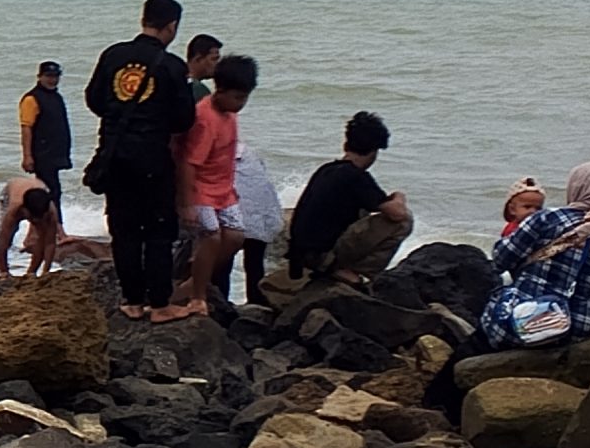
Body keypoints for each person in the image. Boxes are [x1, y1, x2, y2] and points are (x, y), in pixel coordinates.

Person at [84, 0, 196, 319]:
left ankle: (132, 301)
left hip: (114, 156)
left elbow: (94, 100)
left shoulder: (113, 55)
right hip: (152, 159)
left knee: (124, 231)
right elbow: (184, 120)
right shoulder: (173, 66)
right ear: (172, 26)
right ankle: (160, 305)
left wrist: (121, 115)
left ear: (143, 19)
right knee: (159, 232)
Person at [481, 162, 590, 348]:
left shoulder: (547, 218)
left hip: (525, 322)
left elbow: (501, 258)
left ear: (575, 187)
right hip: (578, 329)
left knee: (491, 311)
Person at [279, 111, 412, 292]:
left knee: (364, 211)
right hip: (322, 257)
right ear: (374, 151)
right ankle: (359, 273)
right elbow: (398, 214)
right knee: (404, 221)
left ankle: (336, 267)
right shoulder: (356, 176)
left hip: (302, 254)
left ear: (346, 144)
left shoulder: (326, 170)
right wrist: (399, 195)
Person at [174, 55, 258, 319]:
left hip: (223, 189)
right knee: (211, 235)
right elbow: (189, 163)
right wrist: (186, 203)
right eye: (237, 97)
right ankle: (197, 296)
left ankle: (195, 277)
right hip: (200, 190)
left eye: (245, 98)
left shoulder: (229, 115)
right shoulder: (205, 118)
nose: (241, 104)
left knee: (235, 236)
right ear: (219, 90)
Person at [221, 141, 284, 307]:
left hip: (231, 219)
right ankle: (256, 303)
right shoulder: (249, 153)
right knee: (254, 263)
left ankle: (222, 303)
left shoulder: (214, 155)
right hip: (260, 216)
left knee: (223, 263)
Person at [18, 60, 72, 206]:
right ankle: (52, 220)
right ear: (39, 76)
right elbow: (26, 128)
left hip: (56, 152)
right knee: (50, 191)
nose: (52, 80)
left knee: (53, 190)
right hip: (42, 153)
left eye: (56, 76)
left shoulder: (56, 97)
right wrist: (27, 156)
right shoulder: (31, 99)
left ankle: (48, 219)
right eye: (48, 76)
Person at [0, 176, 61, 279]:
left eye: (39, 218)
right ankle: (2, 269)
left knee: (39, 237)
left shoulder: (50, 212)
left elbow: (50, 243)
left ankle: (32, 271)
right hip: (11, 190)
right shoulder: (15, 207)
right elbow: (3, 239)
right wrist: (4, 272)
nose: (35, 221)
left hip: (39, 191)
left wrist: (45, 271)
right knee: (8, 235)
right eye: (32, 218)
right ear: (24, 209)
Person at [186, 34, 224, 101]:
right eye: (214, 59)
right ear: (198, 59)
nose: (218, 64)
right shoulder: (198, 90)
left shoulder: (175, 77)